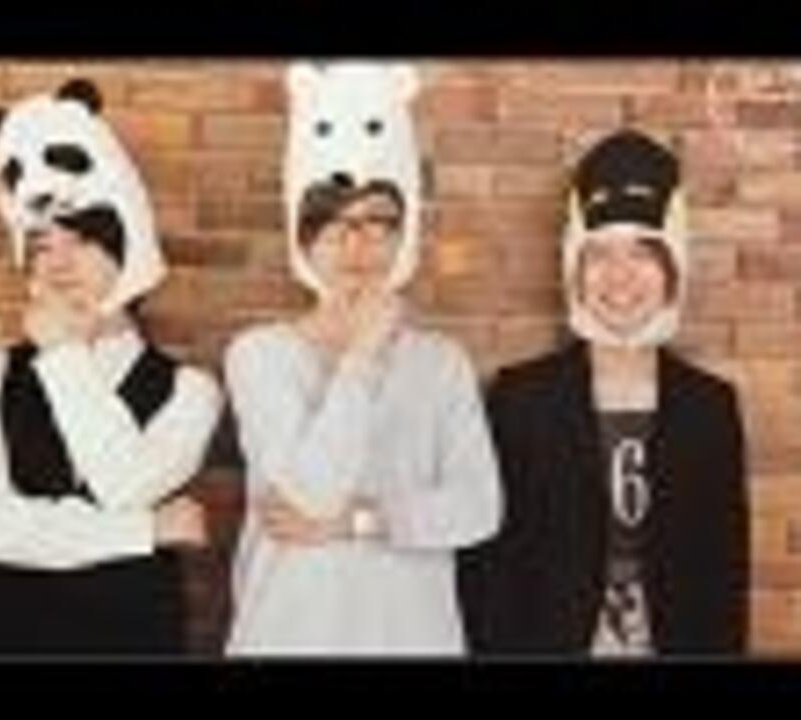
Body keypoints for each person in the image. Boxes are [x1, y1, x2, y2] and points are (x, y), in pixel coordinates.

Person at [0, 80, 222, 656]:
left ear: (127, 245)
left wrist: (64, 353)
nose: (60, 262)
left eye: (82, 241)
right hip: (11, 636)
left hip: (136, 638)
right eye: (42, 244)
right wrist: (148, 529)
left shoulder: (191, 390)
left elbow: (124, 484)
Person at [457, 128, 749, 657]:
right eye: (599, 255)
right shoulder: (519, 400)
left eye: (642, 253)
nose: (620, 277)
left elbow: (724, 574)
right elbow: (487, 566)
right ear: (574, 267)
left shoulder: (711, 407)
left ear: (673, 267)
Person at [224, 175, 503, 655]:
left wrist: (358, 521)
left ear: (401, 241)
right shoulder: (259, 354)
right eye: (335, 228)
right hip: (292, 626)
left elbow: (478, 508)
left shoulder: (442, 362)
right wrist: (363, 353)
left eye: (377, 226)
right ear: (306, 245)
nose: (356, 247)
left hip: (410, 631)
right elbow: (310, 496)